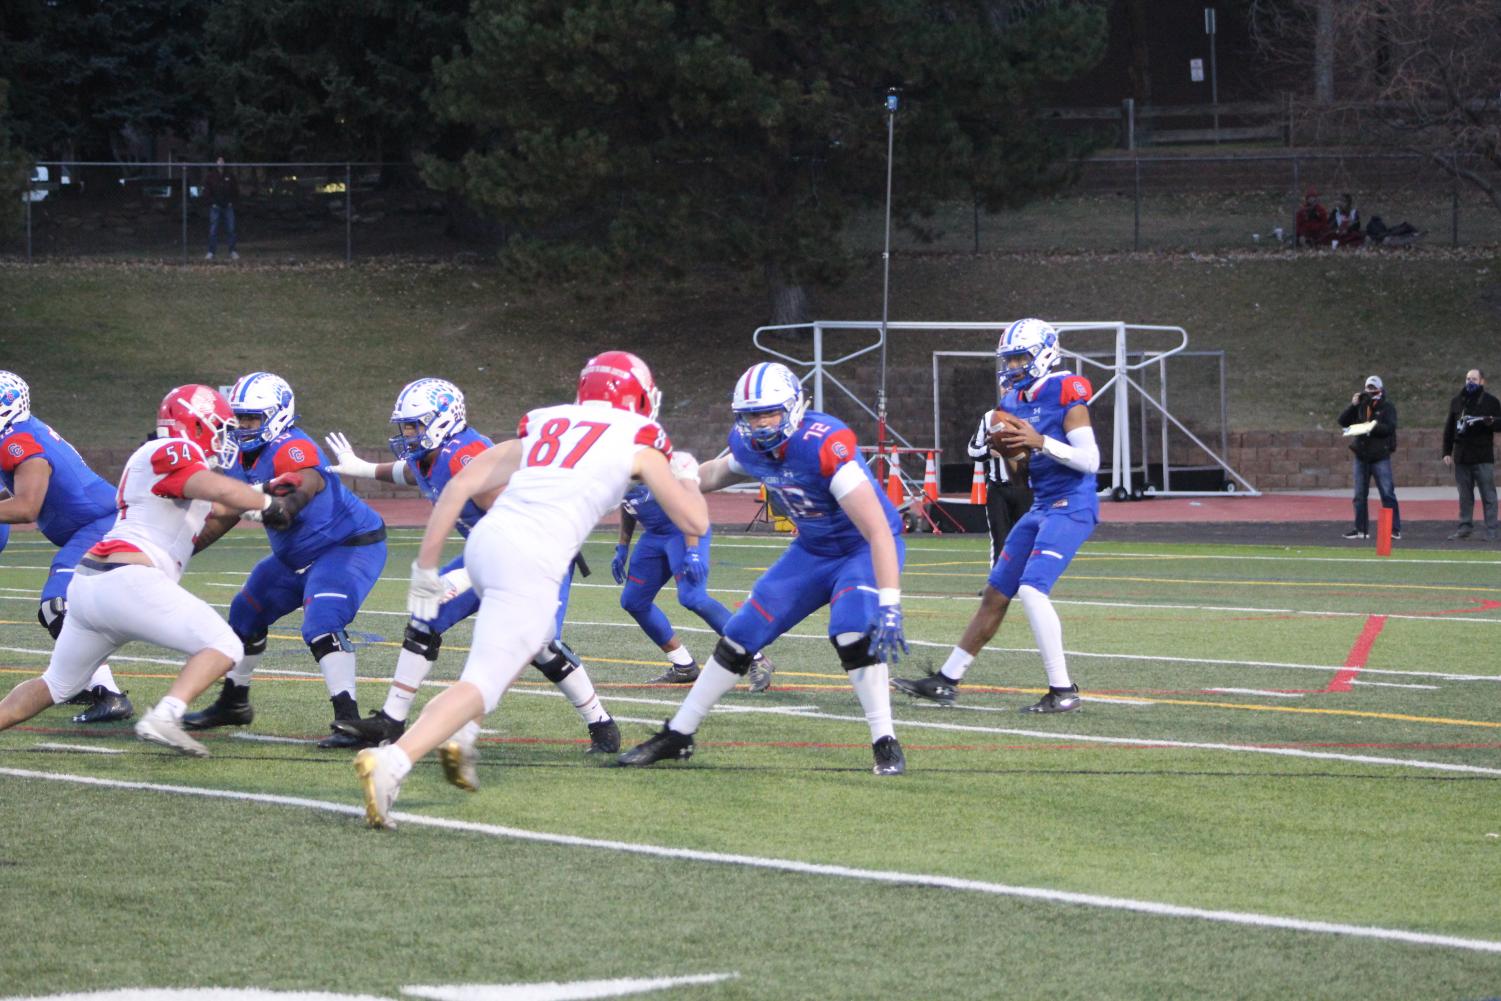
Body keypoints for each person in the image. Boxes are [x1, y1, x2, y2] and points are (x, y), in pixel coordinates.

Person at [353, 351, 708, 829]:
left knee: (512, 655)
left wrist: (427, 568)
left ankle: (459, 739)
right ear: (639, 396)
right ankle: (394, 760)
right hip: (534, 558)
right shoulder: (640, 440)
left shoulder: (547, 422)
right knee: (483, 682)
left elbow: (460, 485)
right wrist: (685, 474)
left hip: (487, 542)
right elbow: (695, 520)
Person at [617, 361, 909, 776]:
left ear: (793, 407)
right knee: (739, 637)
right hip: (812, 550)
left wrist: (891, 602)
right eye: (750, 415)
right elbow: (719, 471)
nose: (759, 423)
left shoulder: (823, 443)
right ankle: (678, 733)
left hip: (860, 549)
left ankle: (885, 741)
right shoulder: (748, 443)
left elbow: (879, 532)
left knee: (850, 631)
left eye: (768, 412)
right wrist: (668, 477)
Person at [320, 377, 620, 754]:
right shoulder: (433, 453)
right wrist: (362, 468)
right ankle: (390, 722)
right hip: (487, 553)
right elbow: (412, 472)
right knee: (425, 615)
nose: (408, 434)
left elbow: (515, 524)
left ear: (443, 420)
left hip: (533, 556)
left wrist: (464, 577)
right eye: (406, 426)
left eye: (414, 425)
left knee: (539, 645)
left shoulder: (467, 454)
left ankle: (601, 723)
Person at [0, 386, 294, 754]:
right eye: (218, 427)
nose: (224, 437)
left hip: (92, 584)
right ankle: (167, 714)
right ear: (197, 425)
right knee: (224, 645)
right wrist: (266, 503)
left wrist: (259, 495)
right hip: (128, 580)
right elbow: (209, 486)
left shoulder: (159, 457)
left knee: (56, 684)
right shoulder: (175, 450)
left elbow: (217, 507)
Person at [894, 319, 1098, 713]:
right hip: (1041, 504)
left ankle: (1063, 690)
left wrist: (1041, 441)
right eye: (1010, 359)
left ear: (1045, 355)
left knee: (1033, 589)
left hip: (1073, 504)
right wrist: (1010, 452)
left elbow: (1090, 461)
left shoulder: (1065, 389)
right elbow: (1024, 468)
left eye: (1021, 357)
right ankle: (946, 681)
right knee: (996, 592)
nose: (1014, 366)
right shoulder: (1013, 403)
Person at [182, 371, 389, 747]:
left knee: (322, 621)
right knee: (244, 615)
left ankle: (350, 721)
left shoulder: (291, 445)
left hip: (346, 546)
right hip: (296, 555)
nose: (243, 427)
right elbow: (226, 513)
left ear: (277, 415)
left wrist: (284, 506)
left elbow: (306, 481)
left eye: (251, 419)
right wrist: (177, 553)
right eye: (239, 418)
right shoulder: (240, 454)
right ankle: (233, 703)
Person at [0, 370, 134, 723]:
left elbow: (27, 506)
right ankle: (84, 683)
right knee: (65, 607)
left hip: (100, 524)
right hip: (95, 523)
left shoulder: (18, 440)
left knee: (57, 604)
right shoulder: (22, 433)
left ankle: (108, 692)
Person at [614, 483, 775, 690]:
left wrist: (693, 549)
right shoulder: (607, 465)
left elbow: (687, 503)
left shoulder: (648, 460)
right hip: (654, 535)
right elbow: (628, 502)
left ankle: (756, 657)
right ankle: (683, 665)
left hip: (683, 530)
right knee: (633, 601)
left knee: (692, 597)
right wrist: (623, 544)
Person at [966, 406, 1034, 567]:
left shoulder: (1033, 413)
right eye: (1005, 385)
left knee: (1026, 537)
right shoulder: (990, 417)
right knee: (999, 538)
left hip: (1027, 487)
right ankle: (996, 582)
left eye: (1013, 383)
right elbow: (972, 450)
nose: (1008, 389)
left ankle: (1026, 582)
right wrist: (989, 451)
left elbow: (1043, 445)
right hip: (997, 487)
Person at [1338, 374, 1401, 541]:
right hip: (1362, 456)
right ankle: (1361, 529)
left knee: (1387, 494)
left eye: (1373, 388)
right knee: (1359, 495)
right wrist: (1353, 406)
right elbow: (1342, 421)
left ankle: (1394, 529)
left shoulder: (1387, 406)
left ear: (1380, 388)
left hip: (1380, 456)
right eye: (1368, 387)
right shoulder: (1361, 405)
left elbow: (1390, 428)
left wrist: (1372, 427)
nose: (1370, 391)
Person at [1441, 368, 1500, 542]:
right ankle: (1465, 528)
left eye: (1474, 379)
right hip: (1461, 456)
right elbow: (1449, 428)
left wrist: (1491, 422)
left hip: (1482, 456)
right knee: (1464, 495)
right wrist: (1446, 451)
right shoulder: (1457, 401)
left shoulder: (1491, 401)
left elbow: (1499, 424)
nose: (1470, 382)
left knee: (1488, 494)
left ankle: (1491, 530)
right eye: (1468, 378)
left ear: (1482, 381)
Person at [205, 156, 239, 261]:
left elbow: (234, 190)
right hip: (215, 207)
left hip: (227, 206)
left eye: (222, 160)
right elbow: (207, 191)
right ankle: (211, 252)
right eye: (219, 160)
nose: (220, 162)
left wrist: (230, 202)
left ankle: (232, 251)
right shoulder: (210, 176)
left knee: (231, 228)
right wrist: (212, 203)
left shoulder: (230, 175)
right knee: (213, 230)